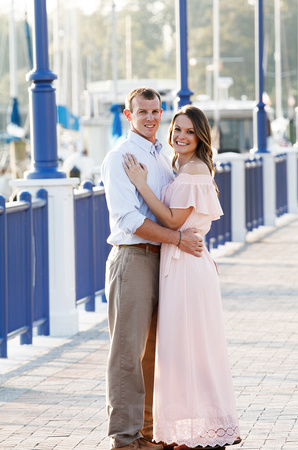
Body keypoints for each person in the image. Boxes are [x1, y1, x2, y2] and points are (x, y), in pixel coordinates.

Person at [122, 105, 241, 450]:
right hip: (182, 263)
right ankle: (188, 429)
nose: (181, 136)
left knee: (192, 347)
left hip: (187, 267)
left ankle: (205, 428)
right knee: (180, 348)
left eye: (189, 131)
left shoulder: (196, 169)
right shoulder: (180, 168)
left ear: (200, 136)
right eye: (177, 129)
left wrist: (142, 185)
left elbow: (174, 222)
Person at [100, 88, 203, 450]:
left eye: (156, 111)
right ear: (129, 116)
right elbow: (128, 219)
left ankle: (147, 433)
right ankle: (125, 439)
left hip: (162, 261)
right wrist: (176, 240)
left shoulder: (162, 156)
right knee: (127, 352)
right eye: (142, 112)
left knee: (155, 352)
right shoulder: (120, 157)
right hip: (133, 259)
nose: (150, 118)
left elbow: (172, 210)